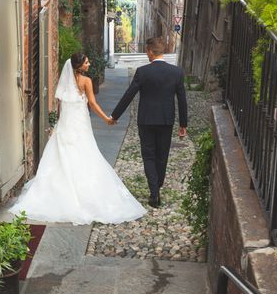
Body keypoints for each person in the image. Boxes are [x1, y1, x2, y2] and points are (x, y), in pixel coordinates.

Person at [9, 53, 146, 225]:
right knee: (86, 154)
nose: (89, 64)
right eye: (87, 62)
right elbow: (93, 104)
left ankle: (61, 193)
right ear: (79, 65)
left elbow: (60, 108)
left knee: (62, 156)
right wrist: (107, 119)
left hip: (65, 126)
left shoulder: (64, 82)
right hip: (80, 125)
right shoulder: (86, 81)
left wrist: (57, 126)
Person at [109, 37, 188, 208]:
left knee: (149, 155)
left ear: (151, 52)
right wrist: (183, 125)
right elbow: (182, 100)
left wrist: (115, 116)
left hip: (146, 120)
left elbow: (129, 94)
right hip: (166, 120)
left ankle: (154, 192)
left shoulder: (143, 72)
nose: (146, 54)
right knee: (162, 155)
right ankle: (157, 184)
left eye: (147, 51)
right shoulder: (177, 73)